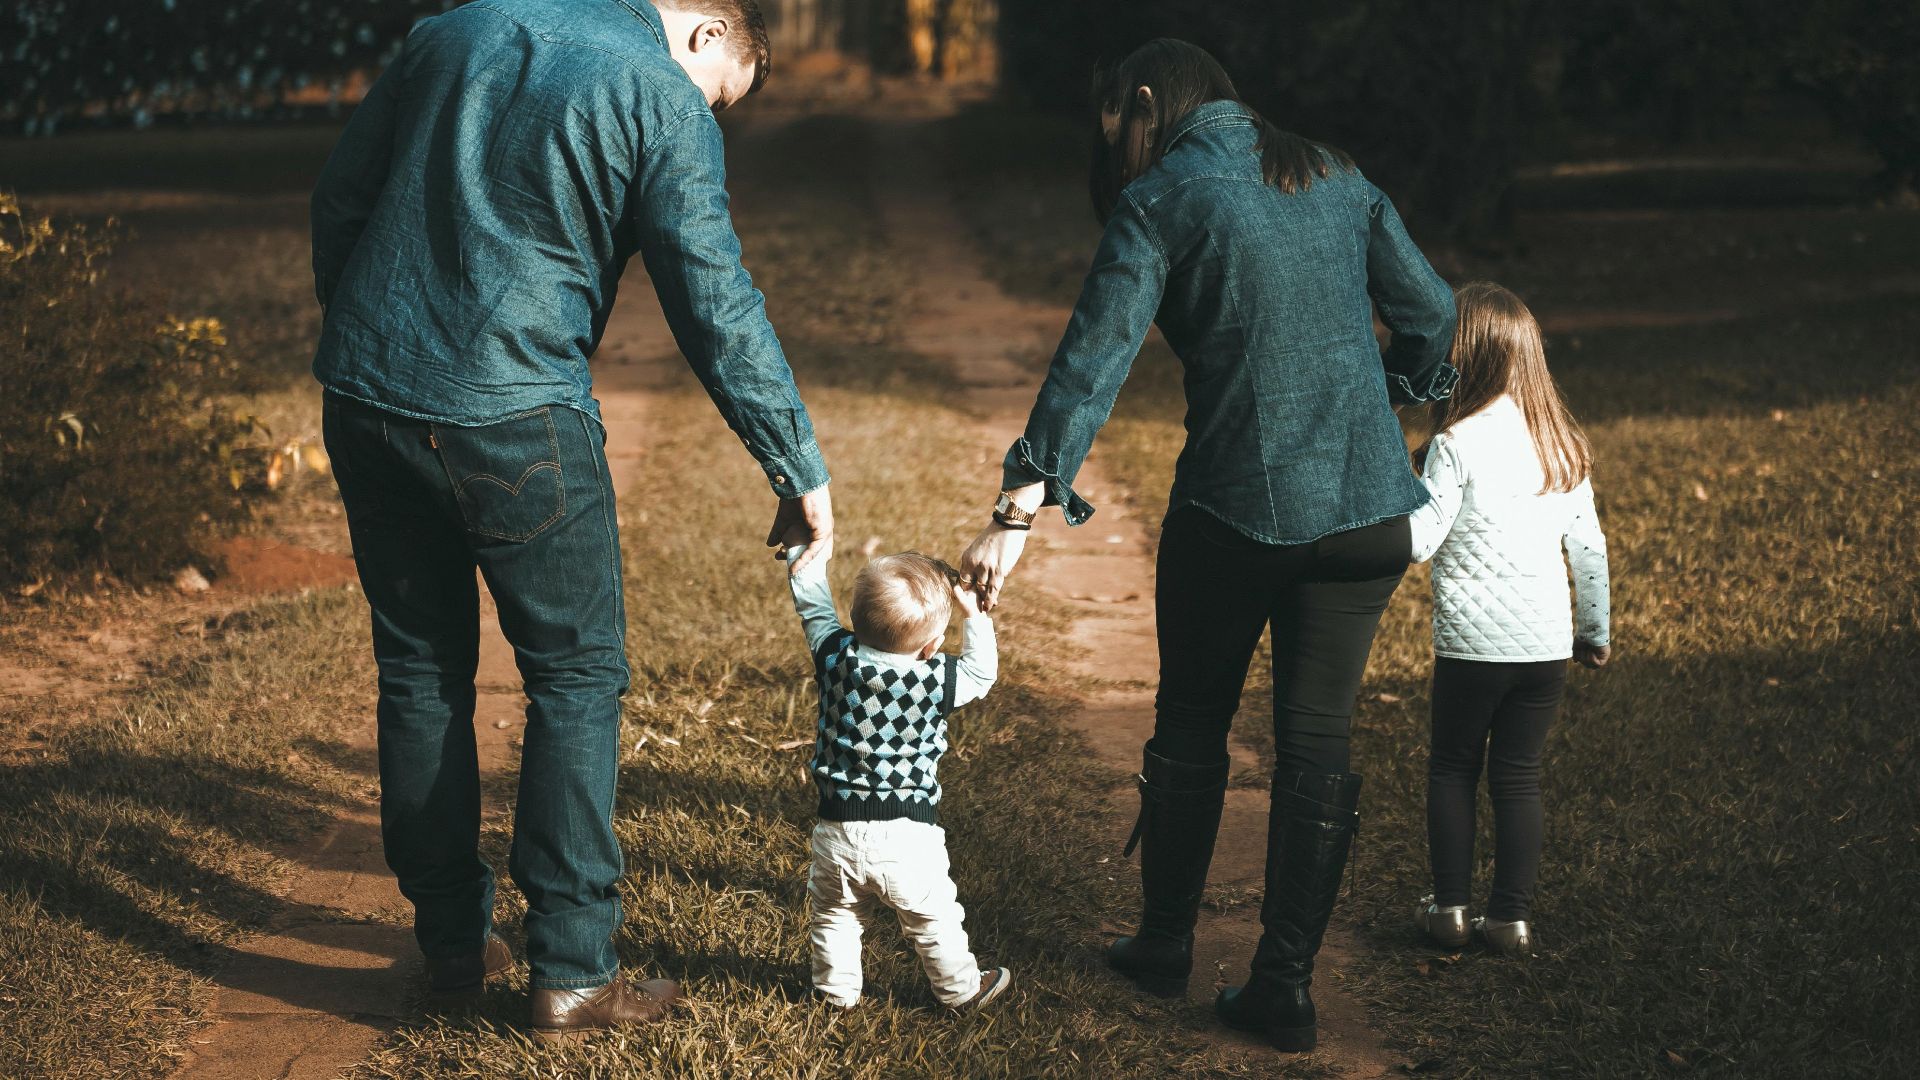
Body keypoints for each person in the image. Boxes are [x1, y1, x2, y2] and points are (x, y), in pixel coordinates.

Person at [309, 0, 836, 1042]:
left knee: (419, 669)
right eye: (719, 99)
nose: (709, 121)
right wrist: (796, 466)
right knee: (576, 676)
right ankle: (576, 970)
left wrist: (369, 343)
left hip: (367, 397)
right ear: (706, 34)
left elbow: (341, 198)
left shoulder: (453, 28)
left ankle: (454, 945)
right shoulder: (661, 95)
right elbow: (714, 301)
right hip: (516, 415)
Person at [959, 39, 1458, 1052]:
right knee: (1318, 740)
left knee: (1192, 720)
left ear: (1147, 105)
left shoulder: (1164, 198)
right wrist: (1399, 391)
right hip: (1367, 519)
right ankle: (1285, 989)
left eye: (1121, 133)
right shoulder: (1335, 171)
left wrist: (1014, 517)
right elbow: (1436, 314)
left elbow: (1087, 370)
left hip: (1234, 516)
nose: (1123, 157)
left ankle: (1163, 945)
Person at [1407, 282, 1612, 959]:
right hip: (1545, 648)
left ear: (1461, 357)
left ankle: (1450, 912)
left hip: (1471, 649)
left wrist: (1388, 501)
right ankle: (1511, 921)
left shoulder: (1456, 444)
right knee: (1519, 776)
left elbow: (1420, 542)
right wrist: (1594, 632)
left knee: (1453, 769)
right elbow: (1588, 548)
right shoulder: (1561, 445)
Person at [785, 547, 1013, 1010]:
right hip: (909, 837)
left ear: (855, 619)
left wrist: (803, 551)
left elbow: (812, 606)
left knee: (835, 917)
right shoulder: (937, 678)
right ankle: (961, 991)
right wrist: (974, 616)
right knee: (933, 920)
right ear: (930, 647)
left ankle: (835, 995)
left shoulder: (834, 657)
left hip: (837, 831)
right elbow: (982, 674)